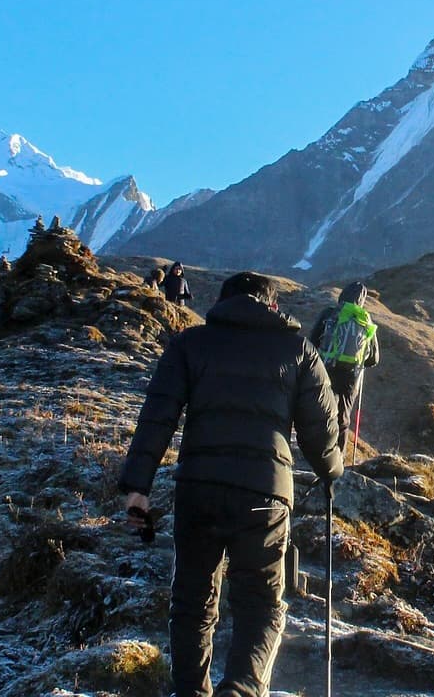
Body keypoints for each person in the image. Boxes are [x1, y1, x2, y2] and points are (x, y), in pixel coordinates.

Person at [119, 271, 344, 697]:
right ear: (273, 306)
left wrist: (138, 487)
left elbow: (157, 417)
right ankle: (240, 688)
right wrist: (332, 470)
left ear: (224, 303)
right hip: (265, 495)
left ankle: (190, 690)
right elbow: (320, 435)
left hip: (198, 488)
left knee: (192, 601)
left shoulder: (190, 344)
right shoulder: (299, 350)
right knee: (260, 604)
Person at [308, 282, 382, 450]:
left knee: (322, 410)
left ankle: (318, 452)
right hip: (351, 376)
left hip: (326, 369)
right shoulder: (365, 319)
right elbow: (374, 359)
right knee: (343, 417)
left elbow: (312, 341)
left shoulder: (329, 313)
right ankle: (338, 458)